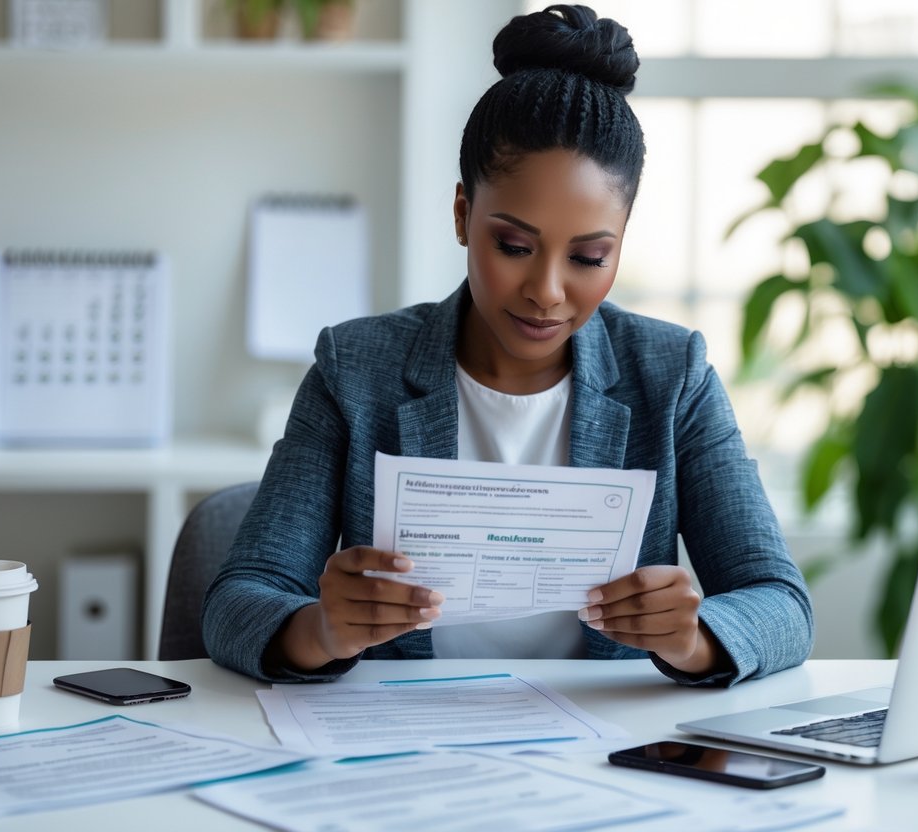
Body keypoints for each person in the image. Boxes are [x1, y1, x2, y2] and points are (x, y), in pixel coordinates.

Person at [203, 4, 813, 688]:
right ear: (463, 214)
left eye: (588, 256)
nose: (547, 291)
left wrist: (693, 639)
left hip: (602, 754)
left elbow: (781, 604)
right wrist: (319, 629)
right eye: (515, 246)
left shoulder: (672, 378)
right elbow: (237, 601)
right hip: (397, 748)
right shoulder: (356, 371)